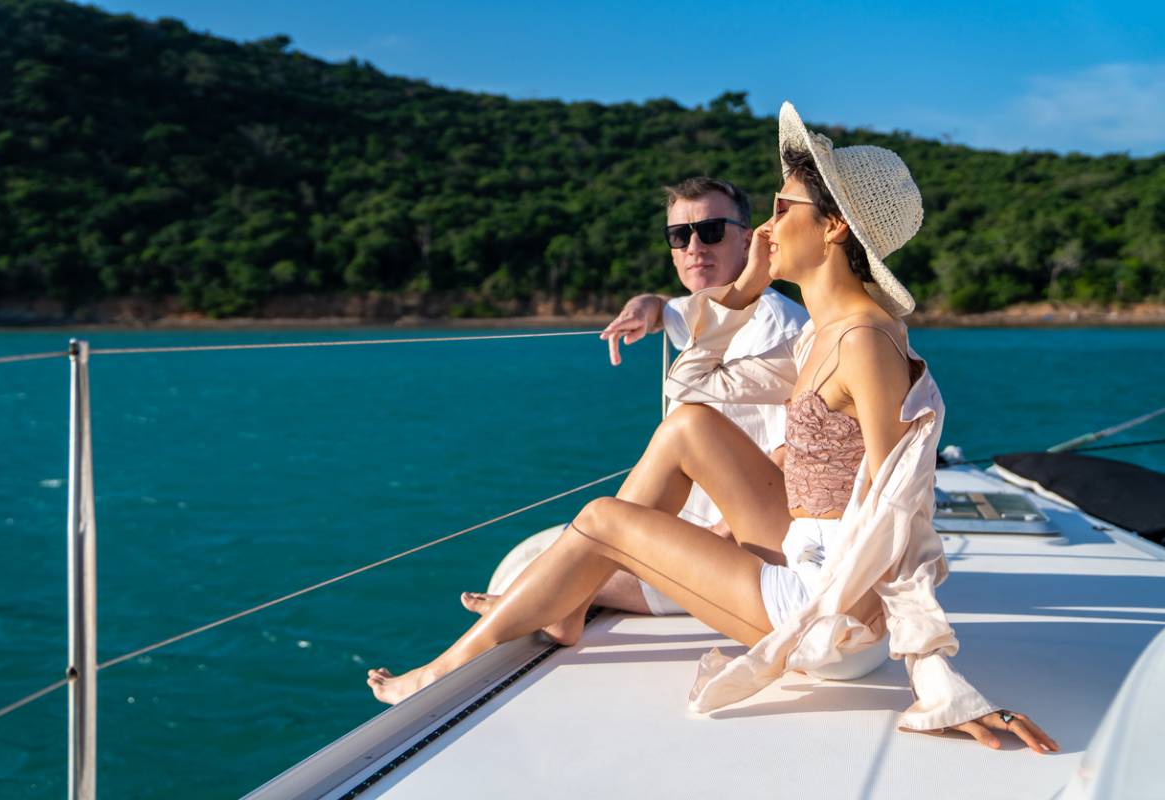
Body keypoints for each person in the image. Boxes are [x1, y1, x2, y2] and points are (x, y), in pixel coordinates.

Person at [369, 102, 1057, 753]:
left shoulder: (864, 341)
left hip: (833, 616)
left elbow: (901, 514)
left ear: (834, 227)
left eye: (783, 209)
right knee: (690, 427)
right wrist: (745, 290)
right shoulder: (824, 333)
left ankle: (443, 669)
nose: (765, 230)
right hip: (801, 549)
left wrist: (938, 684)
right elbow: (691, 387)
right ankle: (572, 603)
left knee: (603, 519)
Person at [462, 177, 808, 632]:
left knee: (550, 574)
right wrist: (644, 307)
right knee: (570, 554)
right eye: (679, 236)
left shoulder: (776, 328)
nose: (694, 247)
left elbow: (793, 456)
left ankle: (554, 610)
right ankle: (564, 606)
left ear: (748, 240)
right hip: (687, 527)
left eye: (711, 231)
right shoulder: (706, 311)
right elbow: (670, 307)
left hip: (740, 545)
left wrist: (716, 537)